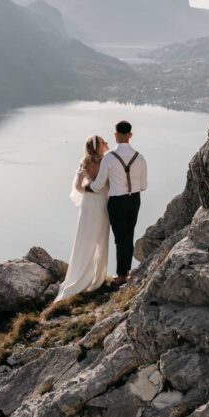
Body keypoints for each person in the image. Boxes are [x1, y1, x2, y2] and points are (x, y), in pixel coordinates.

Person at [87, 120, 147, 287]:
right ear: (130, 135)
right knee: (129, 235)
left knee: (120, 238)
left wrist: (88, 187)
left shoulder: (109, 158)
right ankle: (126, 272)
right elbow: (144, 186)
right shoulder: (140, 158)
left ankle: (121, 276)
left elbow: (98, 185)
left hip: (117, 202)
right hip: (134, 200)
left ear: (115, 135)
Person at [54, 135, 111, 302]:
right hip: (101, 204)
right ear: (98, 146)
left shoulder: (84, 163)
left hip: (88, 204)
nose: (105, 143)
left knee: (85, 238)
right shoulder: (106, 161)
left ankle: (80, 273)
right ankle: (97, 277)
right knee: (100, 239)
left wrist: (90, 188)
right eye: (103, 142)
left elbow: (79, 188)